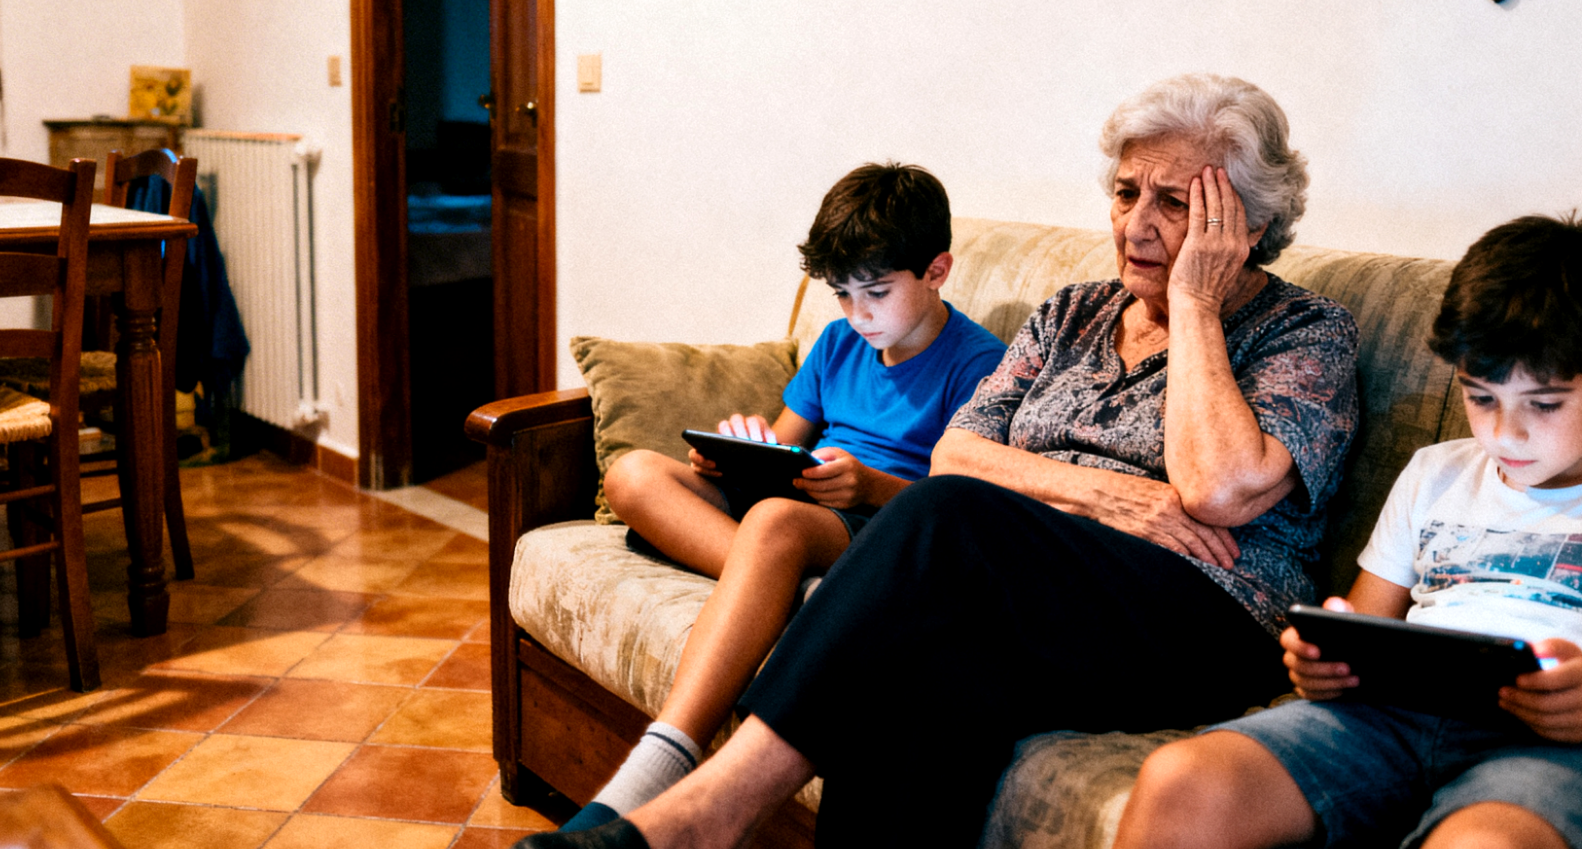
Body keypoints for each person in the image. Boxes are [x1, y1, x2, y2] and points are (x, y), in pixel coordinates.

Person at [527, 73, 1361, 849]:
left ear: (1245, 226)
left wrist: (1194, 301)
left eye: (1174, 203)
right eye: (1124, 192)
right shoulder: (1073, 311)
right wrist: (1109, 497)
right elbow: (960, 448)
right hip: (1033, 597)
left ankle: (702, 811)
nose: (1134, 223)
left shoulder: (1306, 331)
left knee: (942, 516)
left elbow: (1215, 488)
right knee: (919, 685)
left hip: (1202, 613)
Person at [1115, 215, 1582, 849]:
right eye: (1481, 396)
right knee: (1180, 778)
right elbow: (1362, 626)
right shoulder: (1436, 472)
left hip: (1580, 749)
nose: (1503, 434)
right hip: (1392, 722)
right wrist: (1324, 665)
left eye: (1543, 404)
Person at [561, 163, 1006, 831]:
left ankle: (656, 768)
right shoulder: (837, 343)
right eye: (843, 295)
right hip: (801, 503)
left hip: (879, 522)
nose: (860, 316)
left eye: (877, 293)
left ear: (937, 270)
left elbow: (959, 505)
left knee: (775, 524)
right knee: (631, 473)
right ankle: (790, 589)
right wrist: (734, 453)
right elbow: (784, 443)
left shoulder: (977, 361)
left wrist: (870, 484)